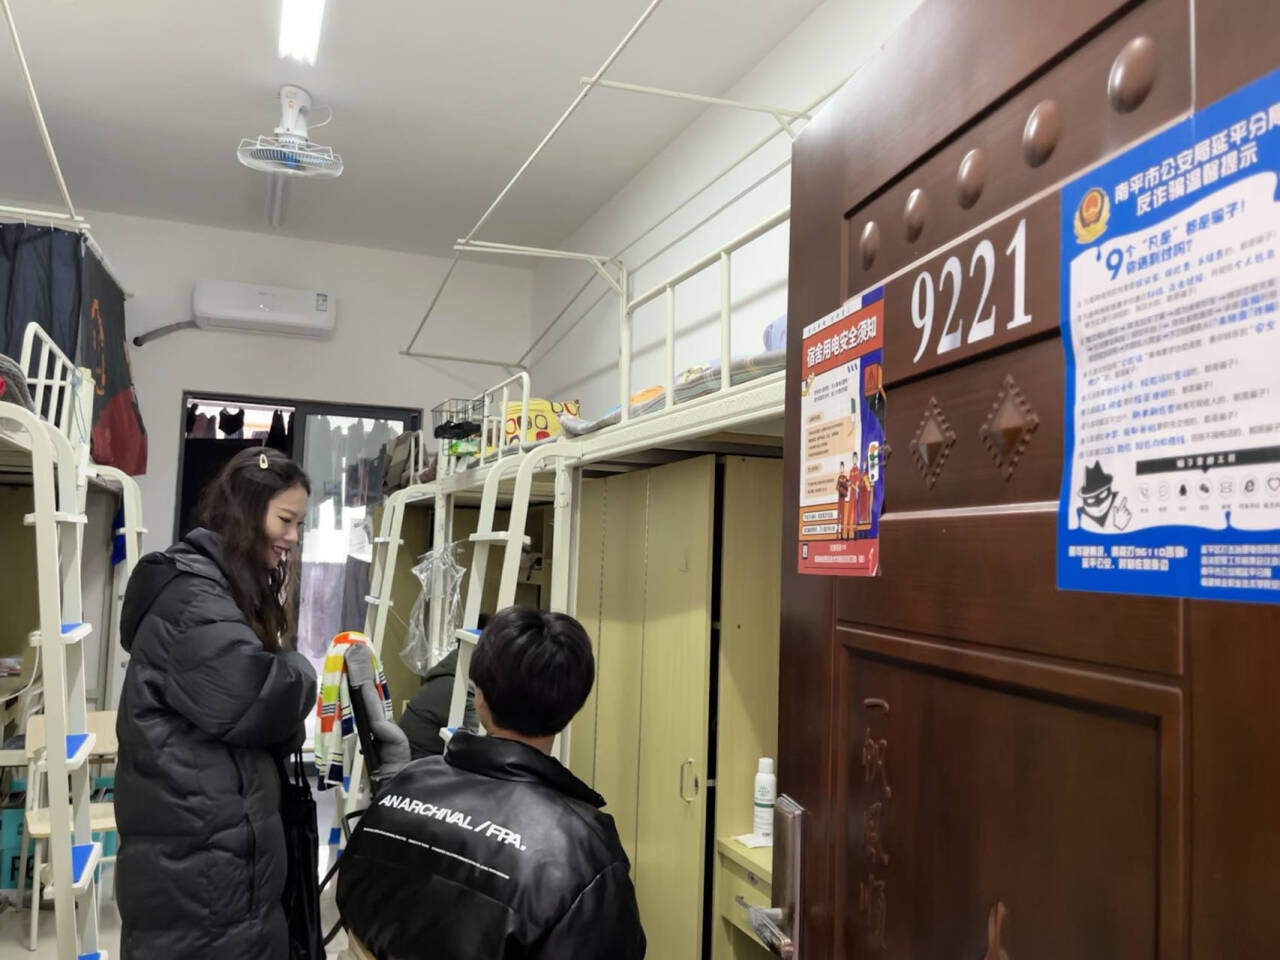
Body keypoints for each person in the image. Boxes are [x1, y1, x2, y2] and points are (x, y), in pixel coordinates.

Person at [337, 606, 646, 959]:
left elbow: (349, 895)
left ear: (479, 697)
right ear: (573, 706)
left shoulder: (405, 784)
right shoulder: (586, 853)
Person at [115, 447, 318, 959]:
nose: (293, 537)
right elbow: (259, 699)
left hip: (208, 849)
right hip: (199, 862)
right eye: (286, 520)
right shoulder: (192, 601)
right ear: (247, 512)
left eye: (298, 523)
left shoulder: (218, 590)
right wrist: (299, 669)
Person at [397, 614, 486, 759]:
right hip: (420, 763)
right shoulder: (461, 688)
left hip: (416, 761)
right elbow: (476, 751)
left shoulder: (450, 673)